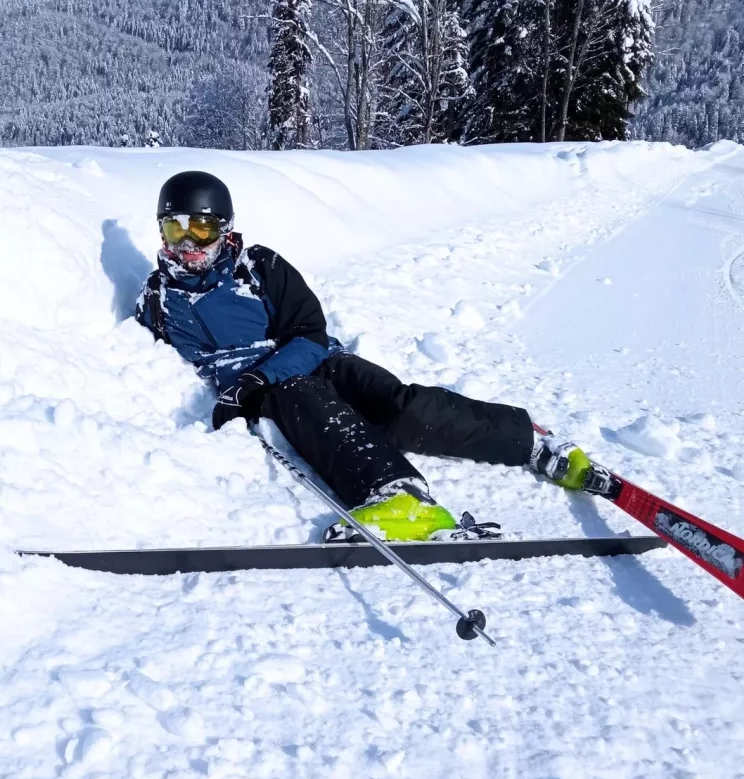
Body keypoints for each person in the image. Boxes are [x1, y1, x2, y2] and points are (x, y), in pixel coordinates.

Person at [136, 171, 593, 541]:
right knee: (310, 406)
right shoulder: (157, 299)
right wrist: (248, 389)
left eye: (202, 228)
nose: (189, 245)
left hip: (316, 360)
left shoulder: (259, 266)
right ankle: (401, 497)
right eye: (176, 229)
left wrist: (259, 377)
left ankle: (527, 439)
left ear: (225, 229)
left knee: (401, 408)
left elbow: (310, 333)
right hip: (275, 392)